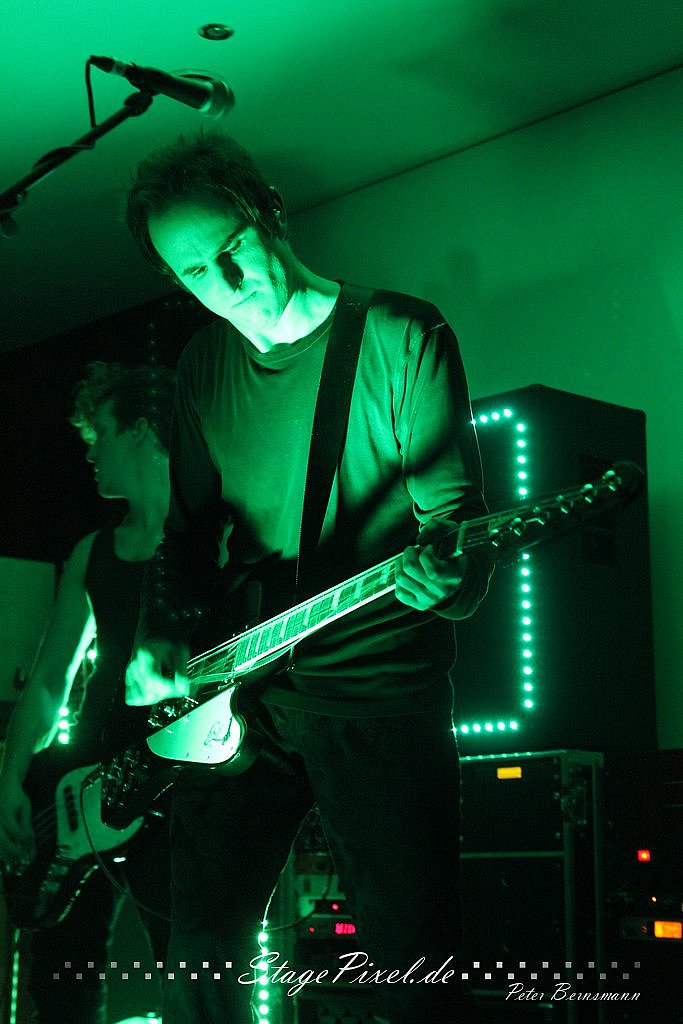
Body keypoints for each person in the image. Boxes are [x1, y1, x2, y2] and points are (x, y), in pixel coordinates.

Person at [124, 130, 493, 1024]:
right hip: (244, 699)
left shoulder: (401, 333)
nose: (226, 283)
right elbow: (186, 539)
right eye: (194, 274)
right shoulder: (201, 367)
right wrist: (158, 634)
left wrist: (446, 579)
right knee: (196, 952)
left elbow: (459, 537)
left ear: (271, 212)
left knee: (415, 968)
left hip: (376, 699)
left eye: (231, 248)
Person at [0, 362, 175, 1024]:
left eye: (99, 432)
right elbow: (51, 679)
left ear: (141, 430)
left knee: (193, 973)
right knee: (62, 988)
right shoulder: (92, 552)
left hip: (174, 785)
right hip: (81, 790)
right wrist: (10, 778)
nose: (90, 452)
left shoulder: (209, 543)